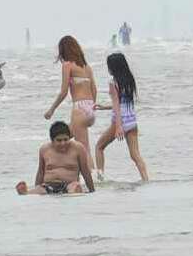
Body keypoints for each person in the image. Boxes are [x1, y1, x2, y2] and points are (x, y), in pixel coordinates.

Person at [94, 52, 149, 182]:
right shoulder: (129, 80)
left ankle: (100, 178)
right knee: (135, 155)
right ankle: (146, 179)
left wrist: (118, 126)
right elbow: (122, 103)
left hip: (120, 121)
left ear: (113, 67)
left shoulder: (113, 82)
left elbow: (117, 106)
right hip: (132, 121)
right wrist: (104, 107)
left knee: (99, 147)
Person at [44, 35, 98, 167]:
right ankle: (60, 167)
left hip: (79, 108)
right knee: (62, 137)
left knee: (84, 149)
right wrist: (90, 108)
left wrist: (52, 109)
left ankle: (94, 178)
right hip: (90, 109)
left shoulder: (67, 65)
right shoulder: (87, 67)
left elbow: (63, 92)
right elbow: (94, 90)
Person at [17, 121, 95, 195]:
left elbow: (85, 171)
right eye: (59, 140)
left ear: (69, 138)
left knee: (75, 187)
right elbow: (40, 172)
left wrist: (92, 190)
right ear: (52, 140)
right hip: (48, 185)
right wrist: (37, 187)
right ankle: (25, 193)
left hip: (70, 184)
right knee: (39, 190)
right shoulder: (44, 149)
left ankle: (76, 191)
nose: (63, 143)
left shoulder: (78, 148)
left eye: (65, 139)